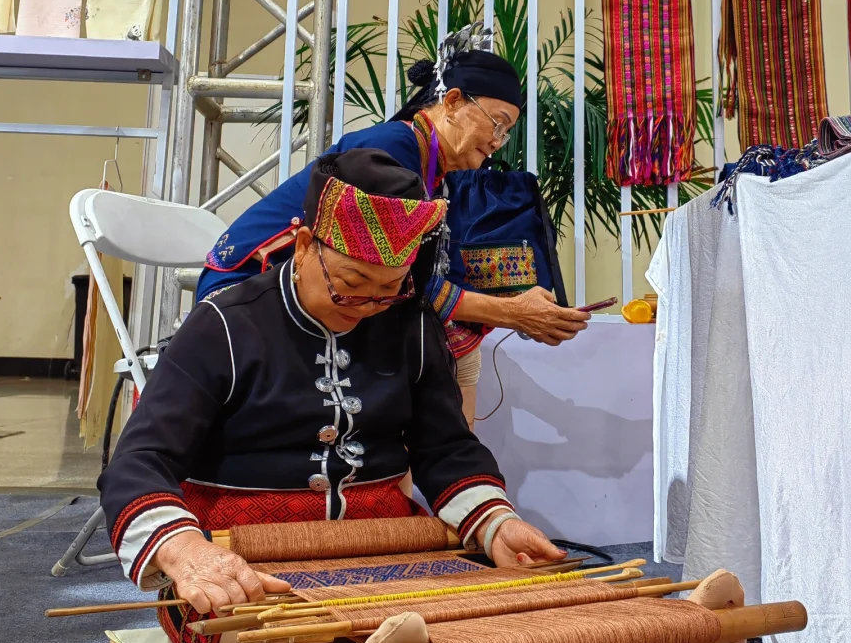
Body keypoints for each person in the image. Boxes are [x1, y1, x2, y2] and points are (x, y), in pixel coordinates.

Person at [99, 150, 747, 643]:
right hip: (250, 566)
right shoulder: (225, 325)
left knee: (490, 640)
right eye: (349, 285)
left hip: (392, 552)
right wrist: (187, 555)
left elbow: (445, 448)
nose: (365, 308)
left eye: (386, 290)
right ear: (305, 242)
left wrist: (495, 523)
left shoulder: (409, 324)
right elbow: (137, 462)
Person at [198, 36, 589, 423]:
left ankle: (451, 470)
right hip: (255, 287)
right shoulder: (393, 152)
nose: (497, 142)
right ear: (452, 102)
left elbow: (414, 276)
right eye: (497, 124)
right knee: (424, 339)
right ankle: (422, 473)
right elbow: (400, 281)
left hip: (320, 289)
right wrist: (511, 313)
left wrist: (512, 307)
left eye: (506, 133)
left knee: (454, 343)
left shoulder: (430, 166)